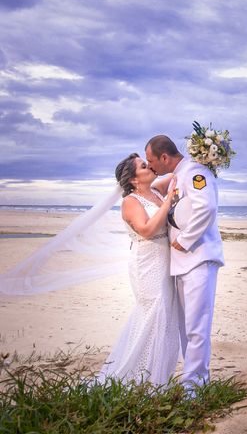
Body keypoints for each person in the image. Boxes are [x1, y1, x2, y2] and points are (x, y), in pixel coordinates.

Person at [145, 135, 224, 389]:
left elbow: (206, 208)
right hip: (183, 263)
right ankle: (192, 381)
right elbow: (156, 188)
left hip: (199, 258)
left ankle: (196, 385)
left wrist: (186, 240)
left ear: (164, 157)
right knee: (186, 328)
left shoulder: (195, 173)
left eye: (151, 161)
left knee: (197, 328)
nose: (150, 167)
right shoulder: (180, 175)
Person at [99, 153, 180, 385]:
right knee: (153, 316)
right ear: (134, 179)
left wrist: (203, 155)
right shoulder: (130, 202)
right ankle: (139, 377)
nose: (150, 167)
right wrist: (167, 203)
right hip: (146, 264)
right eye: (144, 166)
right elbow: (146, 230)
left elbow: (177, 173)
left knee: (164, 316)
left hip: (164, 263)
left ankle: (156, 377)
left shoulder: (154, 190)